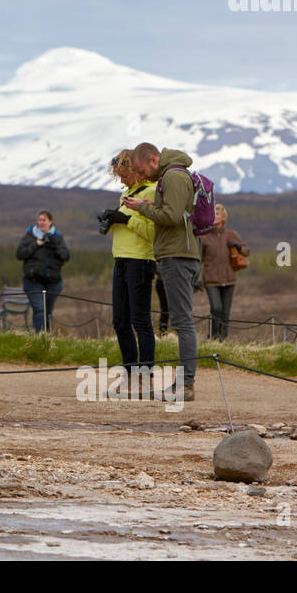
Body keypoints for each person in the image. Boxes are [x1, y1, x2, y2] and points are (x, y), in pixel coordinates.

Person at [123, 142, 200, 401]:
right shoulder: (172, 175)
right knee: (181, 320)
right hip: (174, 253)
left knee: (182, 321)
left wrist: (142, 208)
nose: (141, 175)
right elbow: (172, 212)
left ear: (153, 159)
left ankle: (186, 385)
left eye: (141, 169)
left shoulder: (174, 176)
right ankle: (183, 382)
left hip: (178, 255)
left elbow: (172, 216)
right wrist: (149, 203)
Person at [102, 150, 158, 393]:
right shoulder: (126, 195)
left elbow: (153, 232)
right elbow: (124, 230)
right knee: (120, 321)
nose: (121, 181)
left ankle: (146, 378)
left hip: (141, 260)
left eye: (123, 175)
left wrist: (125, 220)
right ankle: (129, 375)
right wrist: (112, 220)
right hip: (121, 259)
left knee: (140, 320)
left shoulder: (152, 192)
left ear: (135, 170)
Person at [198, 203, 249, 341]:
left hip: (229, 279)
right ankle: (213, 337)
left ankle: (223, 340)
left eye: (218, 213)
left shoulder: (231, 234)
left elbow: (246, 251)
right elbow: (198, 259)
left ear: (223, 217)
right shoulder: (204, 236)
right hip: (211, 280)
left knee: (225, 312)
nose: (215, 216)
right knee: (216, 308)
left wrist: (238, 245)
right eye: (213, 214)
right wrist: (196, 277)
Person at [16, 210, 70, 333]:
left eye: (44, 220)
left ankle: (47, 338)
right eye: (39, 220)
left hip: (53, 281)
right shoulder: (29, 236)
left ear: (50, 222)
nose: (41, 222)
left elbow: (65, 256)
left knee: (47, 311)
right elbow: (19, 254)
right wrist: (36, 244)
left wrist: (54, 244)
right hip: (32, 280)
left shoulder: (57, 237)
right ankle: (41, 337)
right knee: (39, 309)